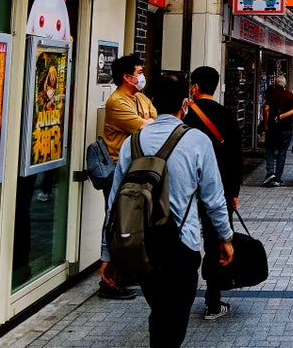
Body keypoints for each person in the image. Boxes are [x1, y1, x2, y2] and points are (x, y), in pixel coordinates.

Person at [100, 73, 234, 347]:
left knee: (161, 312)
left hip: (140, 244)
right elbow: (213, 198)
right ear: (185, 104)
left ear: (153, 102)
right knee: (173, 318)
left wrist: (107, 252)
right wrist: (225, 237)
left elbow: (115, 202)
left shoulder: (133, 142)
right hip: (181, 244)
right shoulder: (197, 141)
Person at [182, 66, 243, 321]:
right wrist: (234, 191)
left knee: (183, 238)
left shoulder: (186, 116)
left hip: (186, 189)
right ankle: (213, 301)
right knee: (216, 242)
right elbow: (236, 156)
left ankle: (179, 297)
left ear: (195, 87)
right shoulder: (226, 115)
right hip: (219, 189)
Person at [99, 54, 156, 299]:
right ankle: (110, 281)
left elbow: (155, 119)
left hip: (136, 168)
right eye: (139, 72)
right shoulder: (116, 102)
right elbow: (145, 127)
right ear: (126, 76)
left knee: (132, 221)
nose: (142, 76)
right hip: (118, 169)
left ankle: (125, 271)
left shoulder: (140, 97)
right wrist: (148, 121)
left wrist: (149, 121)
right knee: (117, 220)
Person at [262, 75, 293, 186]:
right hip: (286, 128)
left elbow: (266, 109)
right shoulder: (289, 95)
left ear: (275, 83)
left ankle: (270, 172)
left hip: (272, 128)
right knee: (282, 153)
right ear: (284, 84)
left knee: (269, 150)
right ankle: (278, 177)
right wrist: (283, 116)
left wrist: (265, 124)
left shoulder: (271, 95)